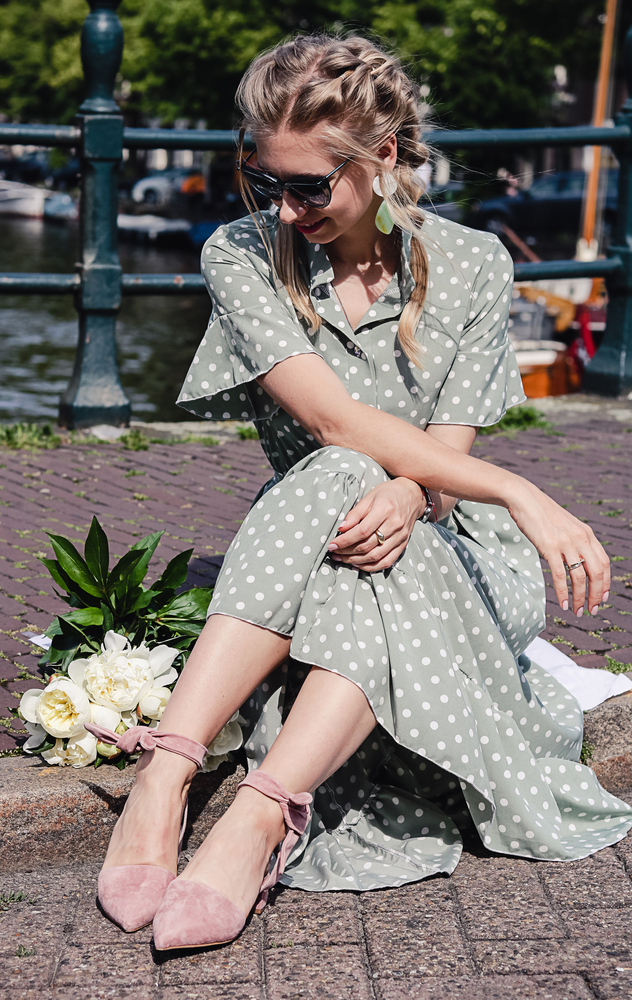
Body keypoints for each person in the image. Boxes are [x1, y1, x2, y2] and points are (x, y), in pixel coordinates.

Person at [86, 33, 629, 952]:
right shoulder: (243, 254)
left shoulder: (469, 264)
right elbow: (333, 424)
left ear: (381, 159)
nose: (286, 209)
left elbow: (440, 464)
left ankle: (250, 811)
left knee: (363, 493)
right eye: (267, 183)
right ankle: (172, 782)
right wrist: (524, 491)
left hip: (462, 548)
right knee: (340, 473)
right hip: (325, 532)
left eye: (311, 187)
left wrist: (422, 494)